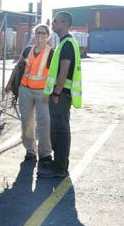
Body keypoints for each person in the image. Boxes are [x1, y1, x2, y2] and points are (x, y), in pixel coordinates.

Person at [38, 11, 82, 178]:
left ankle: (59, 167)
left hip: (61, 95)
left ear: (64, 23)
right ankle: (59, 164)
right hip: (61, 94)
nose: (53, 24)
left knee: (60, 131)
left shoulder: (67, 44)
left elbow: (64, 71)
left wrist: (56, 93)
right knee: (58, 129)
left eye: (55, 22)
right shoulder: (65, 42)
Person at [5, 24, 54, 162]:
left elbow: (53, 76)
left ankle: (45, 153)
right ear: (34, 34)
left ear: (48, 35)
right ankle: (30, 151)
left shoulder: (51, 53)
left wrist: (49, 93)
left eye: (43, 33)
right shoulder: (28, 50)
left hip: (42, 93)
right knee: (27, 122)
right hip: (25, 90)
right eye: (37, 33)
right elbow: (18, 67)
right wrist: (9, 84)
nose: (40, 35)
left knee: (44, 123)